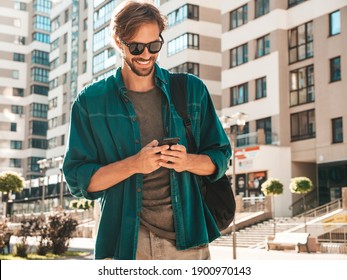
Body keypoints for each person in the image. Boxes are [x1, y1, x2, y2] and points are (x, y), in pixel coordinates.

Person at [62, 0, 231, 260]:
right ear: (119, 43)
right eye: (136, 47)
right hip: (125, 245)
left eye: (154, 45)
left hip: (188, 244)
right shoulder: (90, 101)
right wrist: (134, 164)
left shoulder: (191, 90)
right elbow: (78, 179)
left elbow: (219, 158)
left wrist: (187, 161)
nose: (145, 54)